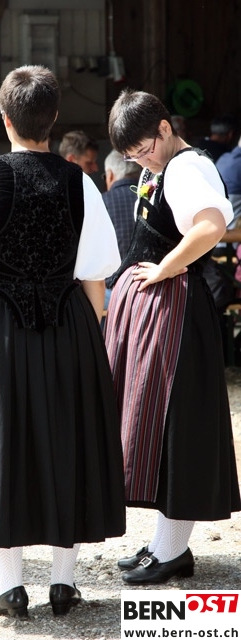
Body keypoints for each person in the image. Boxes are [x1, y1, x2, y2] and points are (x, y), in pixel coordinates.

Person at [0, 65, 126, 619]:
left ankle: (11, 586)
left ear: (5, 119)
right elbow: (95, 274)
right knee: (68, 439)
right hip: (68, 322)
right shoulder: (81, 183)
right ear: (55, 119)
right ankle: (63, 584)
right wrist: (89, 330)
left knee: (5, 443)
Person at [104, 88, 241, 585]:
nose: (142, 160)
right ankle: (165, 544)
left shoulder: (187, 168)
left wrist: (165, 268)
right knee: (159, 427)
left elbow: (210, 227)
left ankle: (173, 550)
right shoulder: (165, 166)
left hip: (177, 312)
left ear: (165, 128)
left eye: (145, 149)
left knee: (176, 427)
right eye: (133, 156)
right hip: (161, 311)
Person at [102, 149, 141, 310]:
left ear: (110, 175)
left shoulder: (102, 202)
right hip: (149, 289)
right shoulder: (151, 198)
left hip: (112, 290)